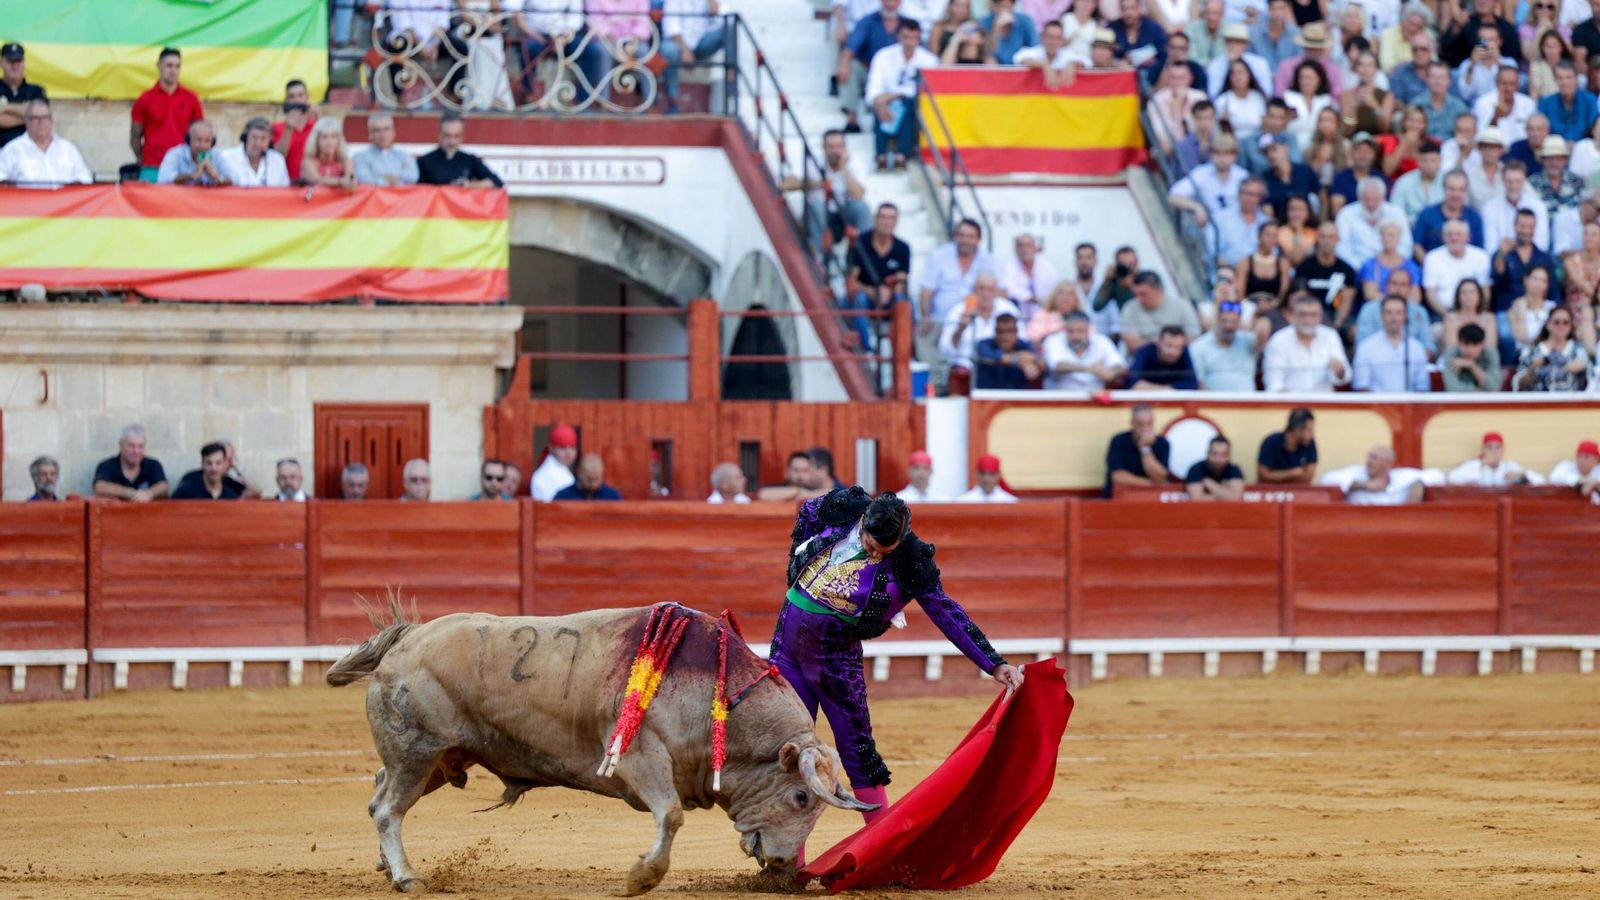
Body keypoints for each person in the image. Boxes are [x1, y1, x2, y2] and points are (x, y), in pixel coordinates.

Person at [771, 488, 1024, 832]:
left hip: (835, 658)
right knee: (789, 750)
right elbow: (807, 513)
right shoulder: (845, 509)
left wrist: (993, 663)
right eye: (869, 543)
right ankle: (787, 859)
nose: (872, 553)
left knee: (857, 749)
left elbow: (946, 612)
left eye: (881, 551)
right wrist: (796, 563)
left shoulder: (910, 558)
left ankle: (879, 844)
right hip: (786, 644)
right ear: (862, 522)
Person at [917, 219, 997, 365]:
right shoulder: (939, 255)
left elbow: (998, 290)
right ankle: (936, 380)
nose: (965, 240)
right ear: (955, 236)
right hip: (941, 320)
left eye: (970, 236)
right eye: (961, 235)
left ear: (978, 239)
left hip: (974, 319)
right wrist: (926, 316)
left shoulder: (988, 259)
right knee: (922, 336)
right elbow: (926, 290)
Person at [865, 20, 938, 171]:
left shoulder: (929, 60)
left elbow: (926, 91)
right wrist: (880, 102)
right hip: (885, 103)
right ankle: (883, 155)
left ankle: (900, 153)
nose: (909, 42)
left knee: (908, 104)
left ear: (919, 39)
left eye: (914, 38)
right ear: (898, 37)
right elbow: (873, 87)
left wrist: (894, 95)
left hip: (912, 106)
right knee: (883, 106)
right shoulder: (883, 56)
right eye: (906, 37)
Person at [844, 203, 912, 350]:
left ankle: (905, 351)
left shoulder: (903, 248)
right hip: (866, 296)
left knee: (905, 301)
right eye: (883, 217)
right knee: (857, 299)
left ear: (896, 222)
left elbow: (901, 282)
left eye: (891, 218)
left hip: (889, 296)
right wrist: (873, 291)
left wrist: (889, 292)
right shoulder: (859, 243)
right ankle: (868, 349)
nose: (886, 222)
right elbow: (850, 282)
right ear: (875, 219)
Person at [130, 48, 203, 183]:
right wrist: (143, 160)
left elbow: (201, 136)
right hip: (152, 166)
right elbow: (135, 137)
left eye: (177, 66)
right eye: (169, 65)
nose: (173, 70)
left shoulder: (191, 98)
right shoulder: (145, 99)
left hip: (182, 168)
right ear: (159, 66)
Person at [939, 272, 1022, 386]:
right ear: (974, 290)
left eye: (990, 289)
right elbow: (945, 350)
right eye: (982, 289)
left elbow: (1022, 341)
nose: (986, 294)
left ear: (996, 291)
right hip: (965, 369)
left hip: (1000, 368)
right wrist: (960, 329)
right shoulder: (958, 311)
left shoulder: (1009, 309)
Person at [1263, 293, 1351, 392]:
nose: (1308, 320)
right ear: (1293, 316)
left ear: (1320, 317)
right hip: (1289, 402)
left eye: (1313, 315)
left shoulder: (1330, 336)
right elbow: (1274, 383)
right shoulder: (1279, 340)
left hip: (1323, 403)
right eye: (1303, 314)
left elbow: (1344, 378)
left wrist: (1339, 370)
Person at [0, 99, 91, 187]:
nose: (41, 122)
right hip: (28, 201)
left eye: (45, 118)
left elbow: (85, 178)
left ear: (51, 121)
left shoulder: (68, 148)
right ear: (26, 122)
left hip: (65, 201)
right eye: (35, 118)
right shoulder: (11, 150)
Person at [1353, 296, 1433, 392]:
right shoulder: (1366, 347)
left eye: (1398, 312)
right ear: (1381, 316)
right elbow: (1362, 387)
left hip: (1410, 405)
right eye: (1389, 312)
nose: (1393, 317)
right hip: (1375, 405)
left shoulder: (1416, 348)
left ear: (1405, 316)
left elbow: (1422, 387)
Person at [661, 0, 727, 111]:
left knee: (729, 27)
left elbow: (724, 17)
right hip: (678, 43)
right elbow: (671, 27)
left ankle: (731, 80)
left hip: (701, 42)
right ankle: (673, 102)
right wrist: (685, 51)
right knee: (668, 50)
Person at [1118, 271, 1202, 354]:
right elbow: (1133, 345)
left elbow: (1193, 338)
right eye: (1136, 295)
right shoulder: (1129, 308)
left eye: (1143, 294)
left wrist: (1151, 342)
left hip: (1180, 357)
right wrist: (1170, 344)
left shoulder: (1182, 305)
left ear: (1158, 290)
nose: (1139, 299)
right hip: (1145, 360)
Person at [1423, 219, 1492, 319]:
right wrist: (1450, 317)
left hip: (1475, 313)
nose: (1454, 238)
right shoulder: (1432, 257)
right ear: (1443, 237)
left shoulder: (1481, 256)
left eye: (1458, 234)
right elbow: (1431, 295)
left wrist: (1475, 315)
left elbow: (1485, 292)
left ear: (1468, 237)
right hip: (1443, 313)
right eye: (1449, 234)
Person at [1042, 311, 1127, 390]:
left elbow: (1121, 366)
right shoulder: (1053, 340)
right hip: (1060, 399)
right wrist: (1089, 368)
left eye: (1080, 331)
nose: (1075, 337)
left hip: (1096, 399)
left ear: (1088, 330)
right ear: (1065, 329)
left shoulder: (1101, 340)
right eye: (1071, 331)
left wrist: (1111, 373)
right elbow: (1057, 366)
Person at [417, 113, 504, 188]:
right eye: (447, 136)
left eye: (456, 136)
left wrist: (469, 186)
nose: (451, 142)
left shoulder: (470, 161)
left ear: (462, 137)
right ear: (439, 135)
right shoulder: (424, 162)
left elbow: (496, 182)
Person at [1515, 307, 1591, 390]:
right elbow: (1518, 385)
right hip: (1539, 401)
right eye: (1556, 322)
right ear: (1548, 324)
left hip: (1571, 401)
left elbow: (1592, 381)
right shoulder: (1531, 350)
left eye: (1565, 322)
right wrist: (1532, 369)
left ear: (1570, 326)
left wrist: (1584, 365)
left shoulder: (1579, 350)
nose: (1561, 326)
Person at [1104, 402, 1171, 496]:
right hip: (1120, 497)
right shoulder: (1119, 441)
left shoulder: (1162, 443)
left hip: (1150, 498)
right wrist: (1150, 484)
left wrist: (1145, 449)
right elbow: (1118, 476)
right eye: (1140, 424)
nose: (1145, 428)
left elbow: (1159, 477)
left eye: (1149, 424)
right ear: (1132, 423)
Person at [1190, 300, 1259, 390]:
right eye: (1224, 321)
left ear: (1239, 322)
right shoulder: (1199, 346)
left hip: (1248, 401)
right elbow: (1198, 381)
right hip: (1214, 402)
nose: (1229, 326)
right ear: (1217, 320)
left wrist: (1259, 314)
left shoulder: (1248, 340)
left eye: (1233, 322)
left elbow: (1263, 334)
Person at [93, 424, 169, 502]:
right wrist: (132, 493)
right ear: (121, 446)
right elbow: (100, 487)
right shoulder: (107, 466)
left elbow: (163, 487)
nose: (136, 451)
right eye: (131, 446)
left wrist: (149, 494)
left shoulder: (153, 465)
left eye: (140, 446)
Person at [1329, 445, 1426, 504]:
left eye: (1374, 458)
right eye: (1369, 456)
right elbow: (1328, 478)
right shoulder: (1357, 473)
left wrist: (1418, 484)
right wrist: (1365, 485)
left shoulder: (1401, 477)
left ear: (1388, 464)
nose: (1368, 461)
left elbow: (1435, 475)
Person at [973, 313, 1044, 389]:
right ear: (995, 332)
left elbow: (1042, 364)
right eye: (1001, 331)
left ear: (1016, 332)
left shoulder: (1025, 345)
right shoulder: (984, 345)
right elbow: (996, 357)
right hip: (989, 397)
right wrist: (1022, 361)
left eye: (1010, 331)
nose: (1005, 336)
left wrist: (1033, 364)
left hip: (1018, 397)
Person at [217, 117, 291, 188]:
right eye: (254, 137)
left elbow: (285, 190)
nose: (258, 143)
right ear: (245, 137)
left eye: (263, 138)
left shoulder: (278, 160)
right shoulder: (227, 157)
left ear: (269, 141)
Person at [353, 111, 419, 186]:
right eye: (377, 130)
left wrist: (380, 176)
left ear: (393, 132)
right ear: (370, 134)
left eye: (386, 129)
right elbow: (364, 179)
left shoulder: (404, 156)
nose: (382, 134)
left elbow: (413, 177)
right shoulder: (360, 157)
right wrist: (397, 179)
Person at [0, 42, 46, 149]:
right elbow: (36, 115)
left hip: (30, 152)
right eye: (10, 61)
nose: (15, 66)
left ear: (24, 63)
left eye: (18, 61)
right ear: (1, 63)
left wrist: (5, 107)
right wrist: (30, 116)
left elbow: (42, 115)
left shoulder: (36, 90)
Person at [155, 119, 229, 186]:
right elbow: (163, 179)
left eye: (207, 141)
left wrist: (218, 178)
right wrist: (191, 176)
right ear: (189, 140)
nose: (203, 145)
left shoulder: (215, 154)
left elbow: (235, 178)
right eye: (199, 140)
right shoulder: (175, 154)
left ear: (212, 142)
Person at [1001, 234, 1059, 318]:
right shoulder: (1008, 267)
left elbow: (1054, 291)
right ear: (1015, 249)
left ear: (1036, 248)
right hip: (1017, 315)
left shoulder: (1048, 268)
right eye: (1020, 246)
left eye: (1028, 246)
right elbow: (1009, 289)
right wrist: (1029, 297)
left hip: (1044, 315)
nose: (1024, 249)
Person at [1448, 432, 1537, 485]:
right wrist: (1482, 464)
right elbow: (1452, 478)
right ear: (1483, 449)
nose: (1494, 451)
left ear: (1503, 450)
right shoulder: (1475, 465)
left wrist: (1522, 475)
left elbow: (1540, 480)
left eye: (1498, 447)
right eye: (1490, 447)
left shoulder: (1510, 466)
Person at [272, 80, 317, 184]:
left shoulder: (316, 126)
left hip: (314, 184)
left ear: (307, 97)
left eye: (300, 95)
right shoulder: (276, 128)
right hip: (286, 186)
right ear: (286, 100)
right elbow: (278, 157)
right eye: (291, 96)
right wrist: (288, 129)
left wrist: (319, 121)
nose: (296, 100)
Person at [1127, 326, 1200, 389]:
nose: (1173, 352)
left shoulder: (1184, 352)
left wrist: (1153, 389)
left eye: (1177, 347)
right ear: (1159, 342)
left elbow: (1192, 383)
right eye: (1169, 345)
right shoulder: (1144, 352)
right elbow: (1132, 383)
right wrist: (1173, 389)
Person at [1258, 407, 1318, 483]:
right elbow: (1263, 475)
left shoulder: (1309, 443)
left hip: (1299, 492)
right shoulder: (1271, 442)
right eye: (1309, 430)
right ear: (1297, 429)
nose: (1312, 434)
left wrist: (1276, 475)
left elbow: (1308, 476)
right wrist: (1292, 473)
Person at [170, 442, 247, 500]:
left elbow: (256, 492)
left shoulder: (230, 494)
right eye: (209, 463)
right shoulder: (187, 490)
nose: (214, 468)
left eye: (218, 463)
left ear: (224, 464)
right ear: (202, 464)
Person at [1440, 322, 1503, 391]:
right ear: (1458, 343)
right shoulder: (1451, 354)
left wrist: (1473, 366)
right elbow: (1452, 388)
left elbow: (1494, 388)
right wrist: (1477, 392)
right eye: (1466, 344)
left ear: (1483, 344)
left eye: (1475, 344)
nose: (1470, 350)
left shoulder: (1490, 354)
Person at [299, 117, 357, 190]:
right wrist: (340, 181)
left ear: (339, 140)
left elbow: (351, 181)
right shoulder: (308, 161)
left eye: (333, 137)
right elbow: (316, 180)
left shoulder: (345, 161)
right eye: (324, 137)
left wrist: (350, 181)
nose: (329, 142)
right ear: (316, 141)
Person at [1185, 436, 1246, 500]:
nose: (1218, 459)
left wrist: (1210, 483)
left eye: (1223, 454)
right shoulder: (1196, 469)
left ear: (1229, 456)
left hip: (1228, 510)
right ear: (1208, 453)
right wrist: (1226, 494)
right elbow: (1196, 499)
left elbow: (1236, 498)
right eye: (1214, 454)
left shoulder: (1234, 470)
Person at [532, 423, 579, 501]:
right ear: (551, 448)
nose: (568, 452)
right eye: (562, 447)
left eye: (572, 447)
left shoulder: (561, 468)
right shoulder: (545, 474)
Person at [757, 450, 829, 502]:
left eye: (805, 471)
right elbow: (763, 494)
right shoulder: (778, 488)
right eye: (796, 470)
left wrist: (807, 494)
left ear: (811, 473)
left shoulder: (815, 489)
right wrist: (797, 491)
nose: (800, 476)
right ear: (787, 472)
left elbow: (831, 493)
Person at [553, 454, 623, 500]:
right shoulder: (563, 497)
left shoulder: (612, 497)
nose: (592, 484)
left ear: (602, 475)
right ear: (579, 473)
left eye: (596, 479)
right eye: (589, 479)